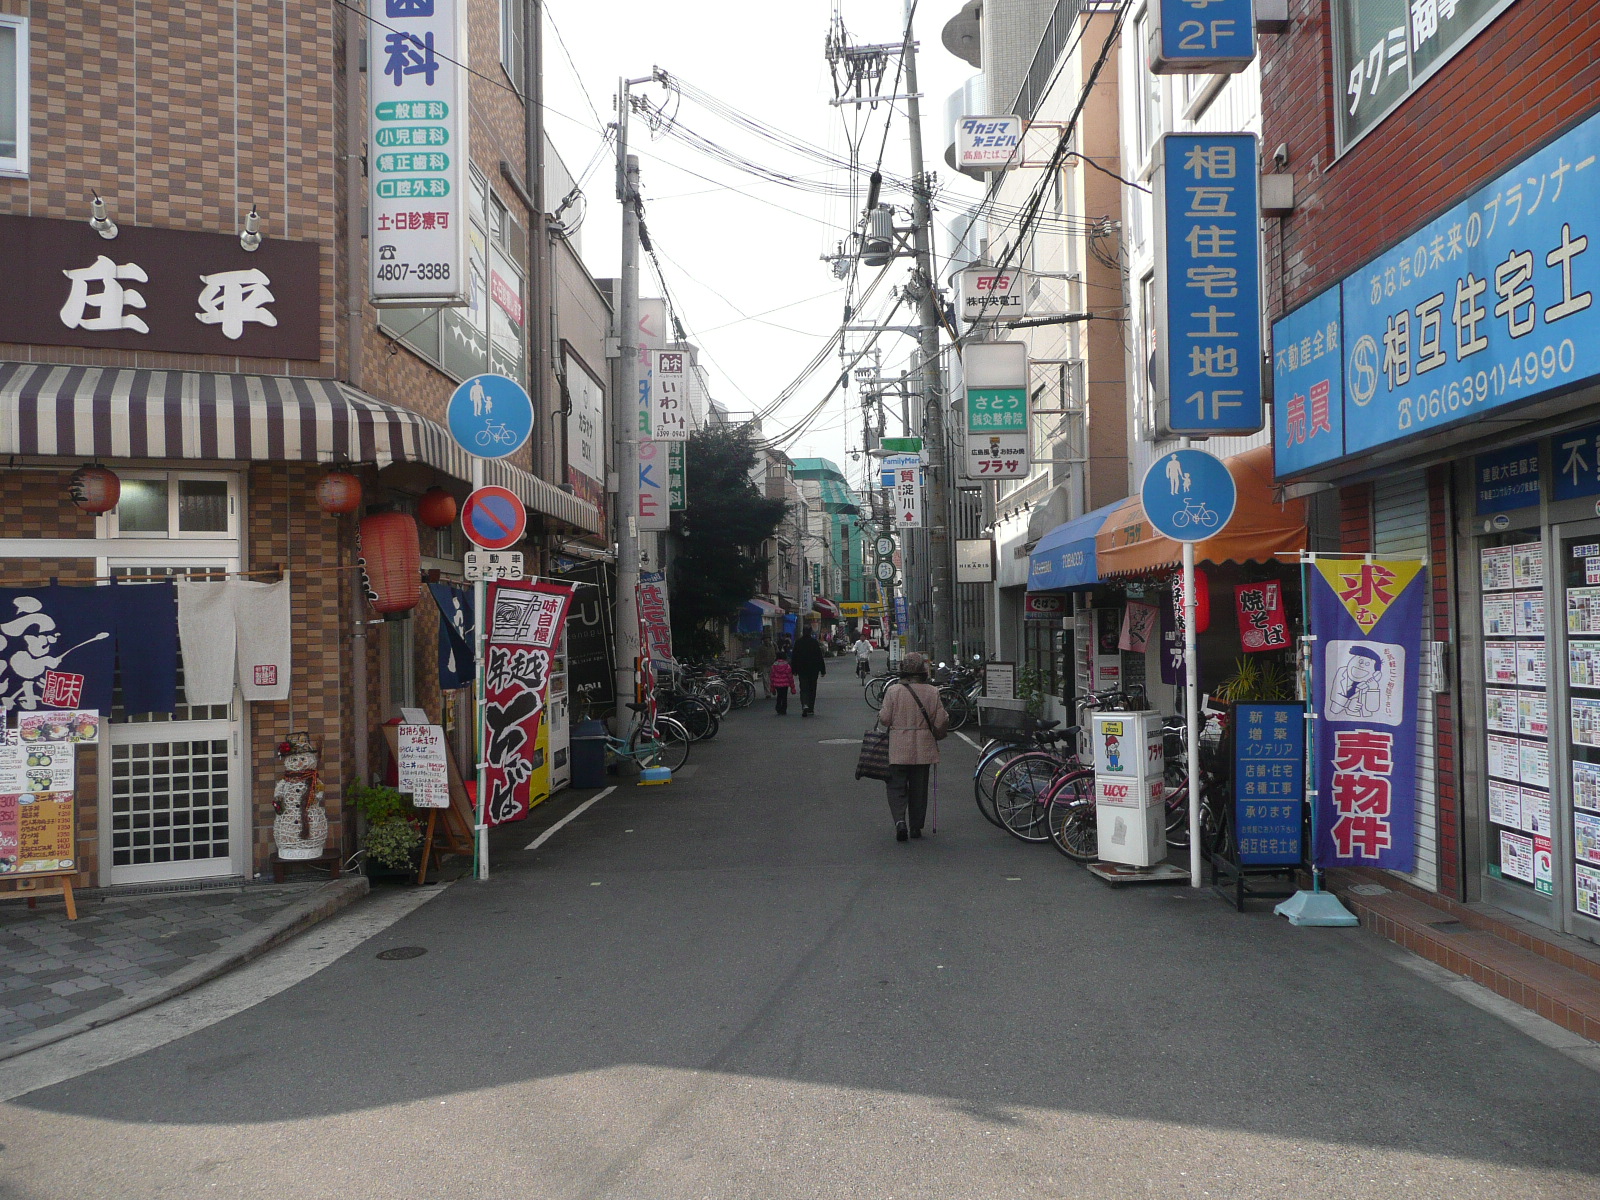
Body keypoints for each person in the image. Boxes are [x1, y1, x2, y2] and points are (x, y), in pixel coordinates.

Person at [876, 652, 949, 841]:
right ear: (923, 671)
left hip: (899, 747)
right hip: (923, 747)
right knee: (919, 788)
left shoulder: (893, 691)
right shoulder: (932, 692)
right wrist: (938, 733)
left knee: (896, 785)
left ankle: (900, 821)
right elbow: (941, 720)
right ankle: (916, 826)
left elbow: (884, 719)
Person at [791, 628, 827, 717]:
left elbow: (794, 656)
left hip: (802, 670)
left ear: (803, 633)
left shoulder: (798, 642)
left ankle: (804, 704)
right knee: (812, 688)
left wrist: (794, 669)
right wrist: (822, 670)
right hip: (813, 670)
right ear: (810, 633)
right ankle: (811, 708)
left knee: (803, 688)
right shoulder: (814, 642)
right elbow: (819, 657)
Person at [768, 651, 796, 716]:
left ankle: (778, 707)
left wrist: (772, 688)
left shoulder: (774, 665)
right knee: (784, 696)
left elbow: (772, 676)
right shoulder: (787, 665)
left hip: (777, 683)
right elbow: (790, 677)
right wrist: (792, 687)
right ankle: (783, 709)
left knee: (779, 696)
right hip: (785, 683)